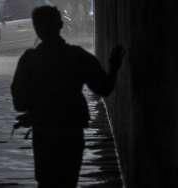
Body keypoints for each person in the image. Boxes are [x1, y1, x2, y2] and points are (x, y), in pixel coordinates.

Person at [11, 6, 125, 188]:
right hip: (71, 133)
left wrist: (38, 107)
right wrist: (114, 66)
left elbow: (19, 103)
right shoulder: (77, 56)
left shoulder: (29, 60)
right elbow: (104, 88)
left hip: (44, 134)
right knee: (68, 181)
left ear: (36, 29)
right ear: (60, 25)